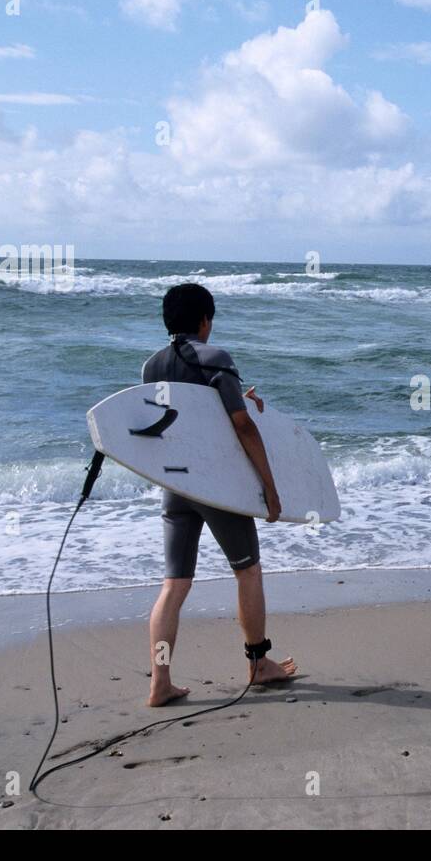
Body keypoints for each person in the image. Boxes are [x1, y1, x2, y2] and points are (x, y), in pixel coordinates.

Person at [141, 283, 296, 706]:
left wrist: (231, 400)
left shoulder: (151, 366)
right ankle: (259, 664)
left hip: (175, 485)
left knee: (174, 584)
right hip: (215, 485)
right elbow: (242, 426)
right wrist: (269, 486)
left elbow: (174, 422)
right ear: (205, 320)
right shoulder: (216, 358)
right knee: (247, 570)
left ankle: (160, 682)